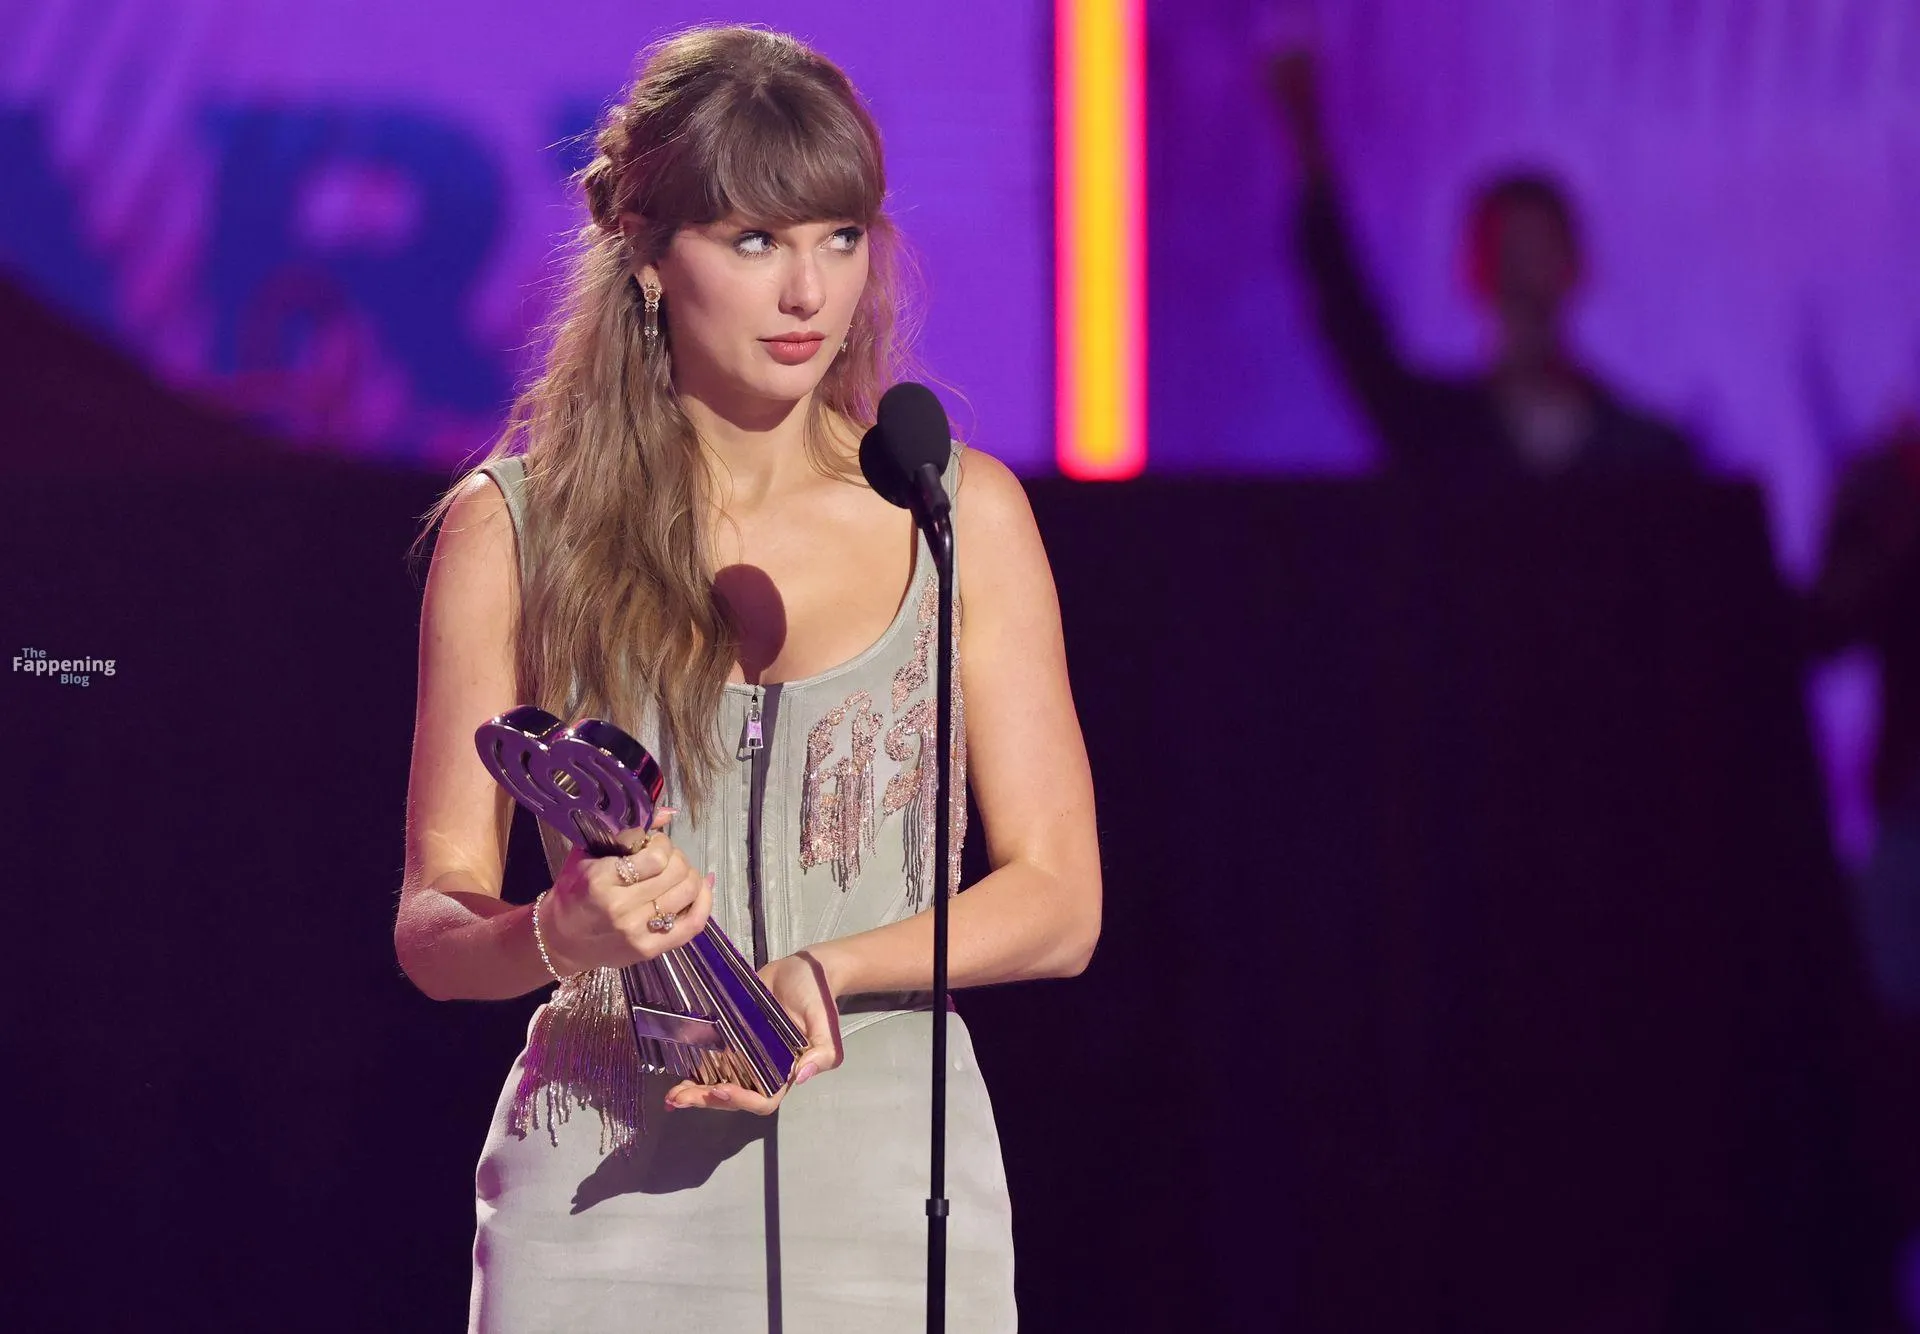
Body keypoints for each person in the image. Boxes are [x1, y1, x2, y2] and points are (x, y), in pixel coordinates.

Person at [394, 26, 1101, 1333]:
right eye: (757, 239)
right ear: (647, 253)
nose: (808, 292)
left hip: (889, 1197)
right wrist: (560, 932)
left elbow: (1062, 902)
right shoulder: (515, 529)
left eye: (841, 236)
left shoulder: (957, 514)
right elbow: (433, 926)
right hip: (600, 1202)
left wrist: (826, 971)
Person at [1266, 48, 1697, 477]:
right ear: (1474, 269)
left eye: (1539, 250)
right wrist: (1308, 139)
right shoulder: (1436, 431)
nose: (1522, 274)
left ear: (1577, 266)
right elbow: (1351, 322)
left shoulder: (1647, 452)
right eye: (1506, 252)